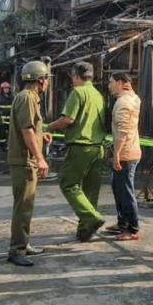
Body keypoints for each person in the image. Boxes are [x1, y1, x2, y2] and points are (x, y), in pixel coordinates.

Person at [47, 62, 107, 242]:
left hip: (81, 147)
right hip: (98, 148)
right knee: (90, 190)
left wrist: (49, 127)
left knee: (69, 185)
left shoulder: (78, 92)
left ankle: (91, 217)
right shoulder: (98, 95)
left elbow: (68, 120)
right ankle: (85, 230)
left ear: (75, 76)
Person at [7, 61, 52, 267]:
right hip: (25, 160)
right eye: (47, 79)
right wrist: (40, 157)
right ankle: (17, 249)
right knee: (23, 206)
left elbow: (32, 129)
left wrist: (43, 136)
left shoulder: (29, 97)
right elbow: (26, 131)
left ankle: (24, 243)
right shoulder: (27, 98)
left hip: (26, 159)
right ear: (41, 80)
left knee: (27, 205)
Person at [106, 72, 142, 241]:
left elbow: (122, 132)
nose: (109, 85)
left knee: (126, 192)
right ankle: (122, 223)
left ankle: (133, 229)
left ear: (120, 83)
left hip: (126, 154)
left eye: (111, 82)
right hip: (130, 150)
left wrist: (117, 155)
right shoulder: (133, 98)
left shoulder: (123, 102)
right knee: (118, 188)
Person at [0, 82, 14, 150]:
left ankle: (11, 146)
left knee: (12, 133)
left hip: (10, 118)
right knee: (2, 133)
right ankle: (3, 146)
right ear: (2, 89)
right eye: (5, 88)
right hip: (1, 119)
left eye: (7, 88)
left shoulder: (12, 97)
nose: (6, 90)